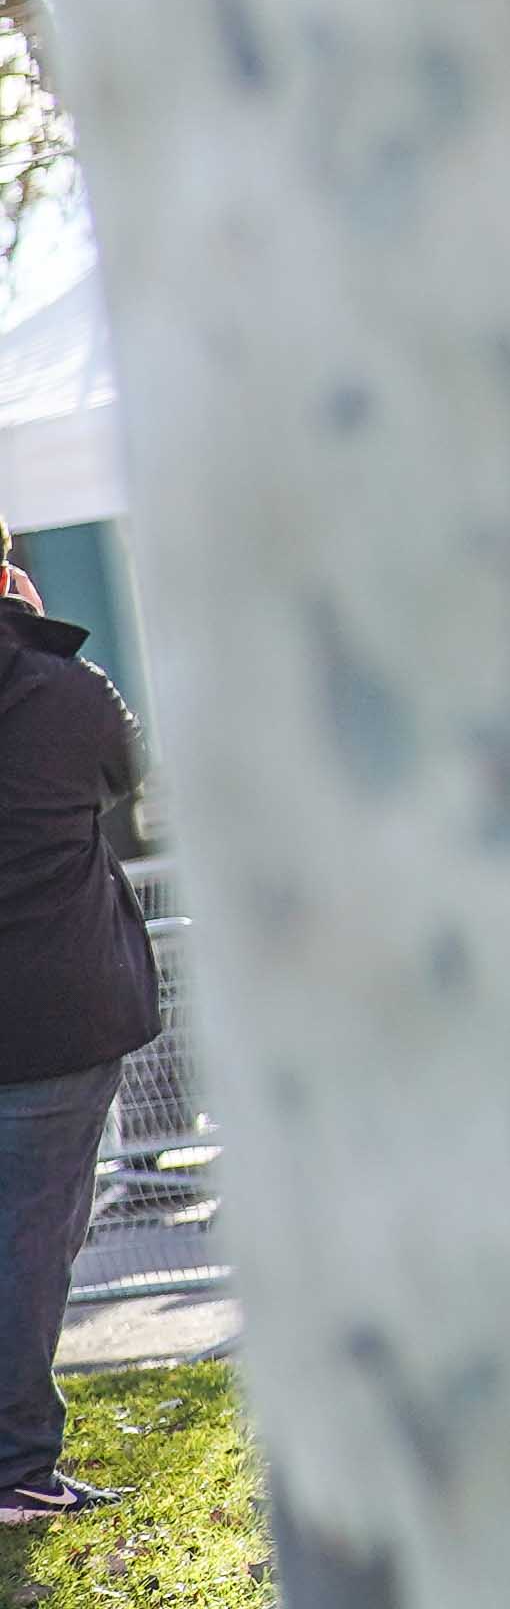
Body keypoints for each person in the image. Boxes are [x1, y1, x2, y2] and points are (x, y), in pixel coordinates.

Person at [0, 541, 156, 1522]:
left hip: (54, 1022)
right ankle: (15, 1463)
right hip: (54, 1021)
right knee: (29, 1245)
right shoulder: (62, 690)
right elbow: (126, 767)